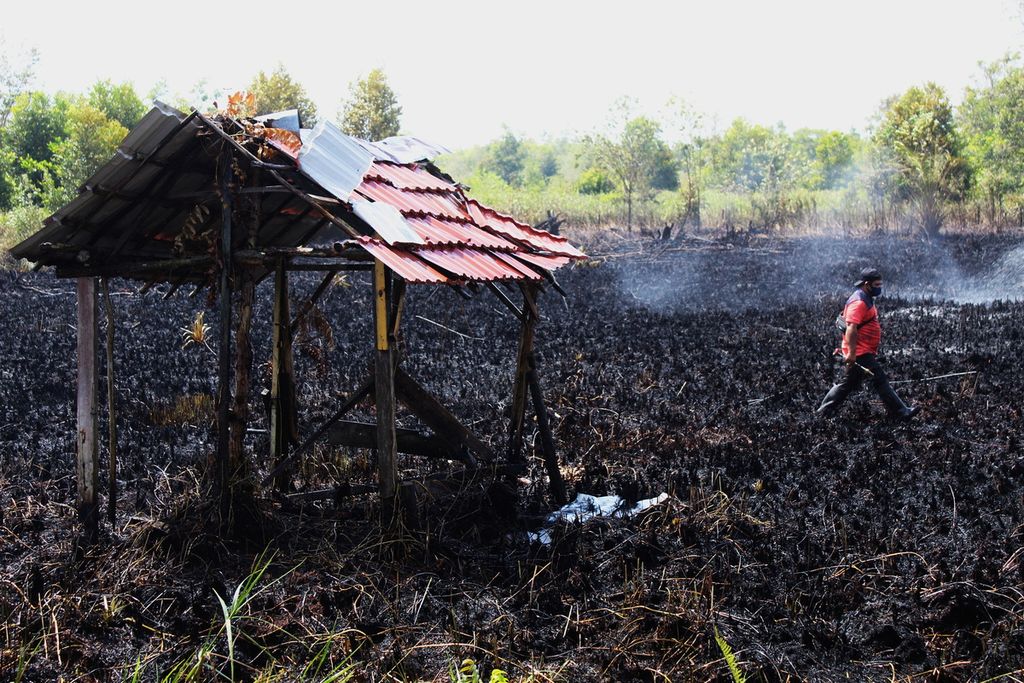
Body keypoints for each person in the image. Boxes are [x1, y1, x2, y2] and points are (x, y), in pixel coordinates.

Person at [817, 267, 920, 419]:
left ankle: (823, 411)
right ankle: (901, 412)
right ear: (867, 284)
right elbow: (851, 327)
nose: (879, 288)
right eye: (877, 285)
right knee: (879, 380)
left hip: (863, 350)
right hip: (860, 351)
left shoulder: (865, 296)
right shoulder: (859, 302)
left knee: (847, 384)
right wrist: (851, 354)